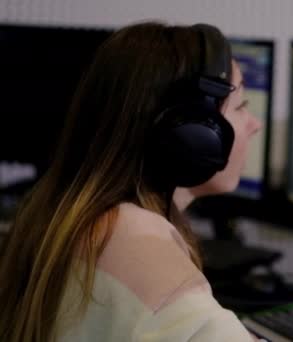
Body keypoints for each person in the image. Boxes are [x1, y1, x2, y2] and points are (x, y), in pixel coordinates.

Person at [0, 21, 261, 341]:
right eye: (241, 107)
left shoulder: (59, 214)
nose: (255, 124)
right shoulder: (141, 253)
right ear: (197, 135)